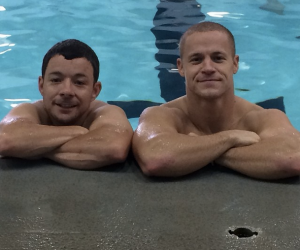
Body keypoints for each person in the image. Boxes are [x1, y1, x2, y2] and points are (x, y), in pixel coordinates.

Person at [132, 21, 300, 180]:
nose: (208, 68)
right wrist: (229, 139)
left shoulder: (264, 117)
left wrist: (200, 151)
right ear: (181, 67)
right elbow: (156, 159)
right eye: (196, 59)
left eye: (218, 58)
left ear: (235, 64)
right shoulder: (161, 114)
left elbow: (292, 158)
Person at [0, 39, 133, 169]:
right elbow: (5, 140)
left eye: (79, 82)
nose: (66, 91)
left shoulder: (105, 112)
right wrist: (78, 132)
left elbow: (114, 148)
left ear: (94, 90)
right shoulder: (31, 110)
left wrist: (30, 148)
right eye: (56, 80)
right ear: (41, 86)